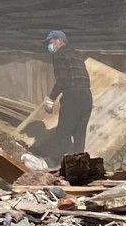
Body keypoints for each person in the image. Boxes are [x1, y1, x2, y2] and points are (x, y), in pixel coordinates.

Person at [40, 29, 93, 163]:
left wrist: (51, 99)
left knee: (63, 132)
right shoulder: (76, 55)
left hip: (73, 95)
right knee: (79, 133)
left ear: (59, 41)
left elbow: (61, 80)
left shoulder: (59, 55)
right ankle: (80, 164)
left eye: (50, 42)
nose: (49, 46)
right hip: (86, 95)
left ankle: (65, 162)